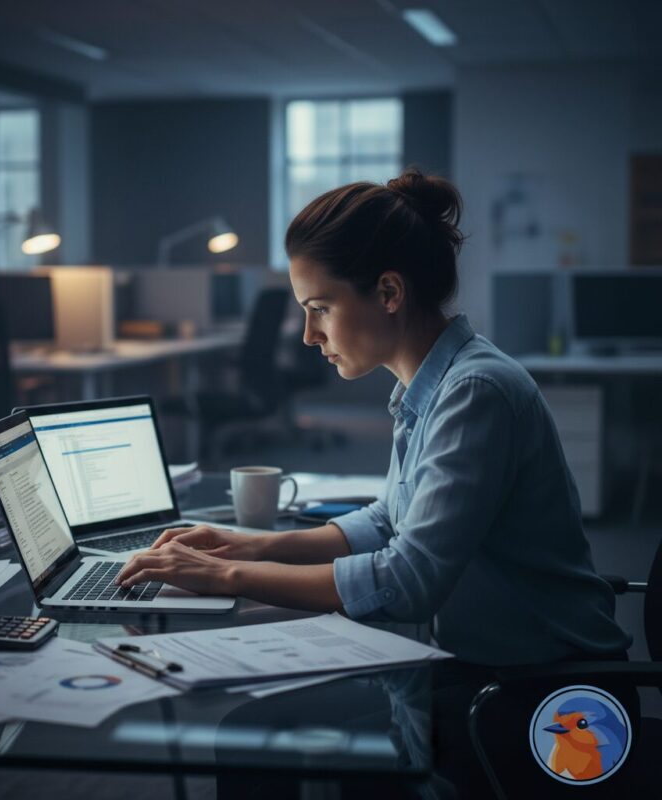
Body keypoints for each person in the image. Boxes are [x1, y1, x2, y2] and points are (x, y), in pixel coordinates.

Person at [116, 168, 630, 667]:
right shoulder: (430, 382)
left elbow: (408, 582)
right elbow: (390, 519)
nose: (308, 335)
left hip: (547, 693)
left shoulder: (475, 392)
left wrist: (227, 574)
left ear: (389, 293)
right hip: (487, 668)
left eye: (320, 308)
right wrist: (252, 546)